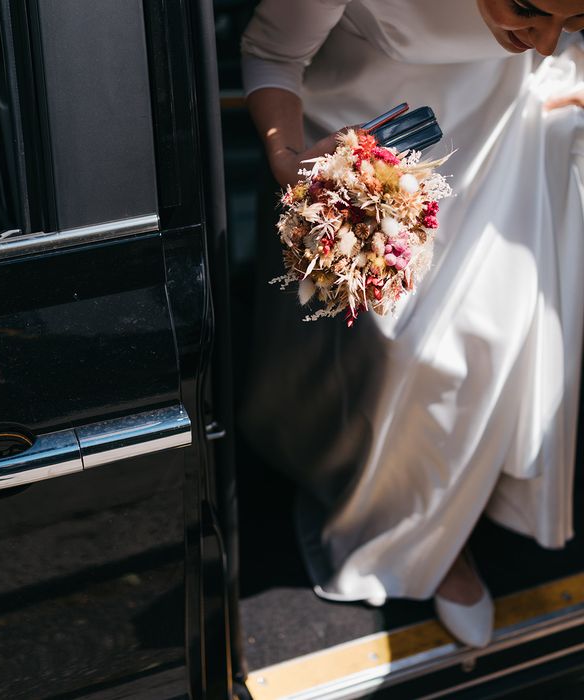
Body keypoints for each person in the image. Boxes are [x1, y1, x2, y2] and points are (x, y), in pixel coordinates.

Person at [239, 0, 584, 648]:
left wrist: (571, 68)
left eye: (571, 21)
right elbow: (272, 53)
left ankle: (457, 509)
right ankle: (412, 522)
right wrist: (290, 166)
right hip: (369, 143)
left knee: (502, 334)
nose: (542, 42)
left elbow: (551, 54)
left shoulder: (547, 39)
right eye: (528, 11)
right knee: (422, 356)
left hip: (502, 136)